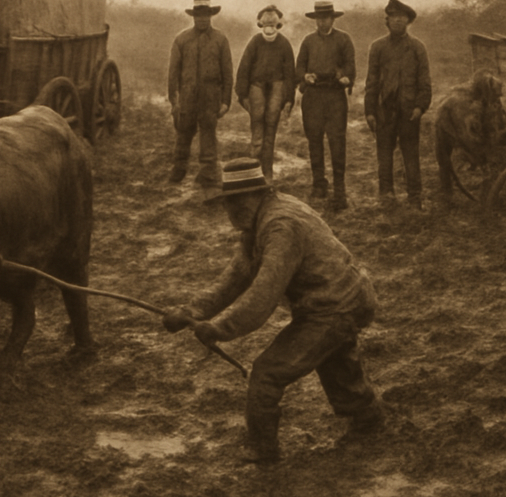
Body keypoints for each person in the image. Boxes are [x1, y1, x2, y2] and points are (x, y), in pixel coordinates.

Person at [162, 157, 382, 464]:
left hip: (335, 306)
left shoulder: (280, 226)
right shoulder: (260, 221)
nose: (230, 210)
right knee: (333, 356)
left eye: (237, 200)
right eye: (227, 201)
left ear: (258, 194)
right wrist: (193, 311)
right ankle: (368, 419)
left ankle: (263, 450)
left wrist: (221, 328)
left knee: (267, 373)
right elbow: (237, 275)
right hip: (338, 299)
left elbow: (264, 293)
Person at [363, 0, 432, 208]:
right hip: (385, 110)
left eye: (402, 18)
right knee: (384, 155)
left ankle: (415, 197)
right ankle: (386, 195)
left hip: (409, 111)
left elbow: (425, 82)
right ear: (388, 21)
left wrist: (420, 107)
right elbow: (371, 82)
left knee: (411, 154)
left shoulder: (417, 48)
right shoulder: (377, 47)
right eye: (393, 17)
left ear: (408, 21)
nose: (398, 21)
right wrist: (370, 111)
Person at [167, 0, 234, 186]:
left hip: (210, 96)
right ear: (193, 17)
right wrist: (174, 101)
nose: (202, 19)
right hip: (187, 95)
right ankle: (179, 169)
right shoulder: (182, 39)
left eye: (206, 15)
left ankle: (208, 173)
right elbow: (173, 73)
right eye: (199, 16)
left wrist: (225, 101)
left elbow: (228, 73)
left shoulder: (220, 40)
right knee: (183, 133)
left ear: (211, 16)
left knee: (208, 134)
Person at [294, 1, 356, 210]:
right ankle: (319, 184)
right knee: (314, 140)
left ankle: (339, 189)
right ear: (315, 20)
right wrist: (305, 76)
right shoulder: (308, 41)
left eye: (326, 18)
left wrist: (345, 77)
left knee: (337, 142)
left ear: (332, 19)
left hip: (335, 96)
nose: (322, 22)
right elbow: (299, 67)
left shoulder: (344, 39)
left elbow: (350, 66)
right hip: (313, 97)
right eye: (319, 19)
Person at [235, 5, 295, 180]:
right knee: (257, 128)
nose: (269, 29)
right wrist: (242, 95)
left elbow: (289, 73)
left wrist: (289, 98)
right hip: (257, 86)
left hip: (277, 86)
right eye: (266, 25)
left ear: (278, 25)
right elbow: (244, 68)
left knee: (270, 127)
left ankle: (267, 172)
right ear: (260, 25)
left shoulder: (284, 44)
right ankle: (254, 172)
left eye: (273, 25)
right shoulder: (255, 42)